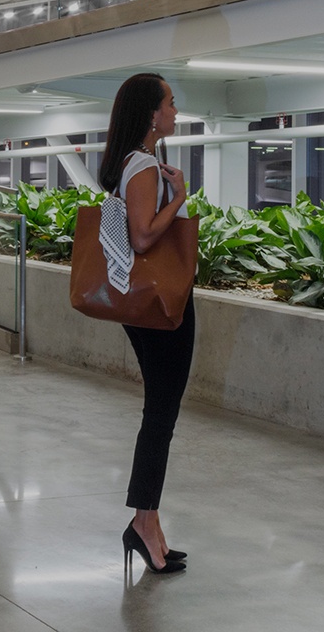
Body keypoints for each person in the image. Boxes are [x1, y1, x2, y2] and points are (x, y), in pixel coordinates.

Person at [95, 71, 193, 578]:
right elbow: (143, 239)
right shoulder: (144, 167)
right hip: (159, 307)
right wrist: (180, 198)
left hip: (151, 307)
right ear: (153, 114)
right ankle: (144, 522)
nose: (176, 112)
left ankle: (147, 522)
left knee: (162, 410)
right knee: (161, 412)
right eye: (172, 104)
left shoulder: (138, 163)